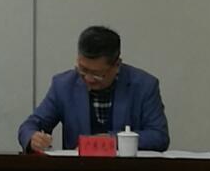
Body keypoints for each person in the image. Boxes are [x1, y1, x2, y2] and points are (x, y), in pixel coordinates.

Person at [18, 25, 169, 153]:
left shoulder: (144, 86)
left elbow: (159, 136)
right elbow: (29, 126)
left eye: (97, 74)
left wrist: (112, 140)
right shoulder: (63, 85)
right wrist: (33, 138)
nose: (89, 79)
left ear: (117, 65)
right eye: (83, 70)